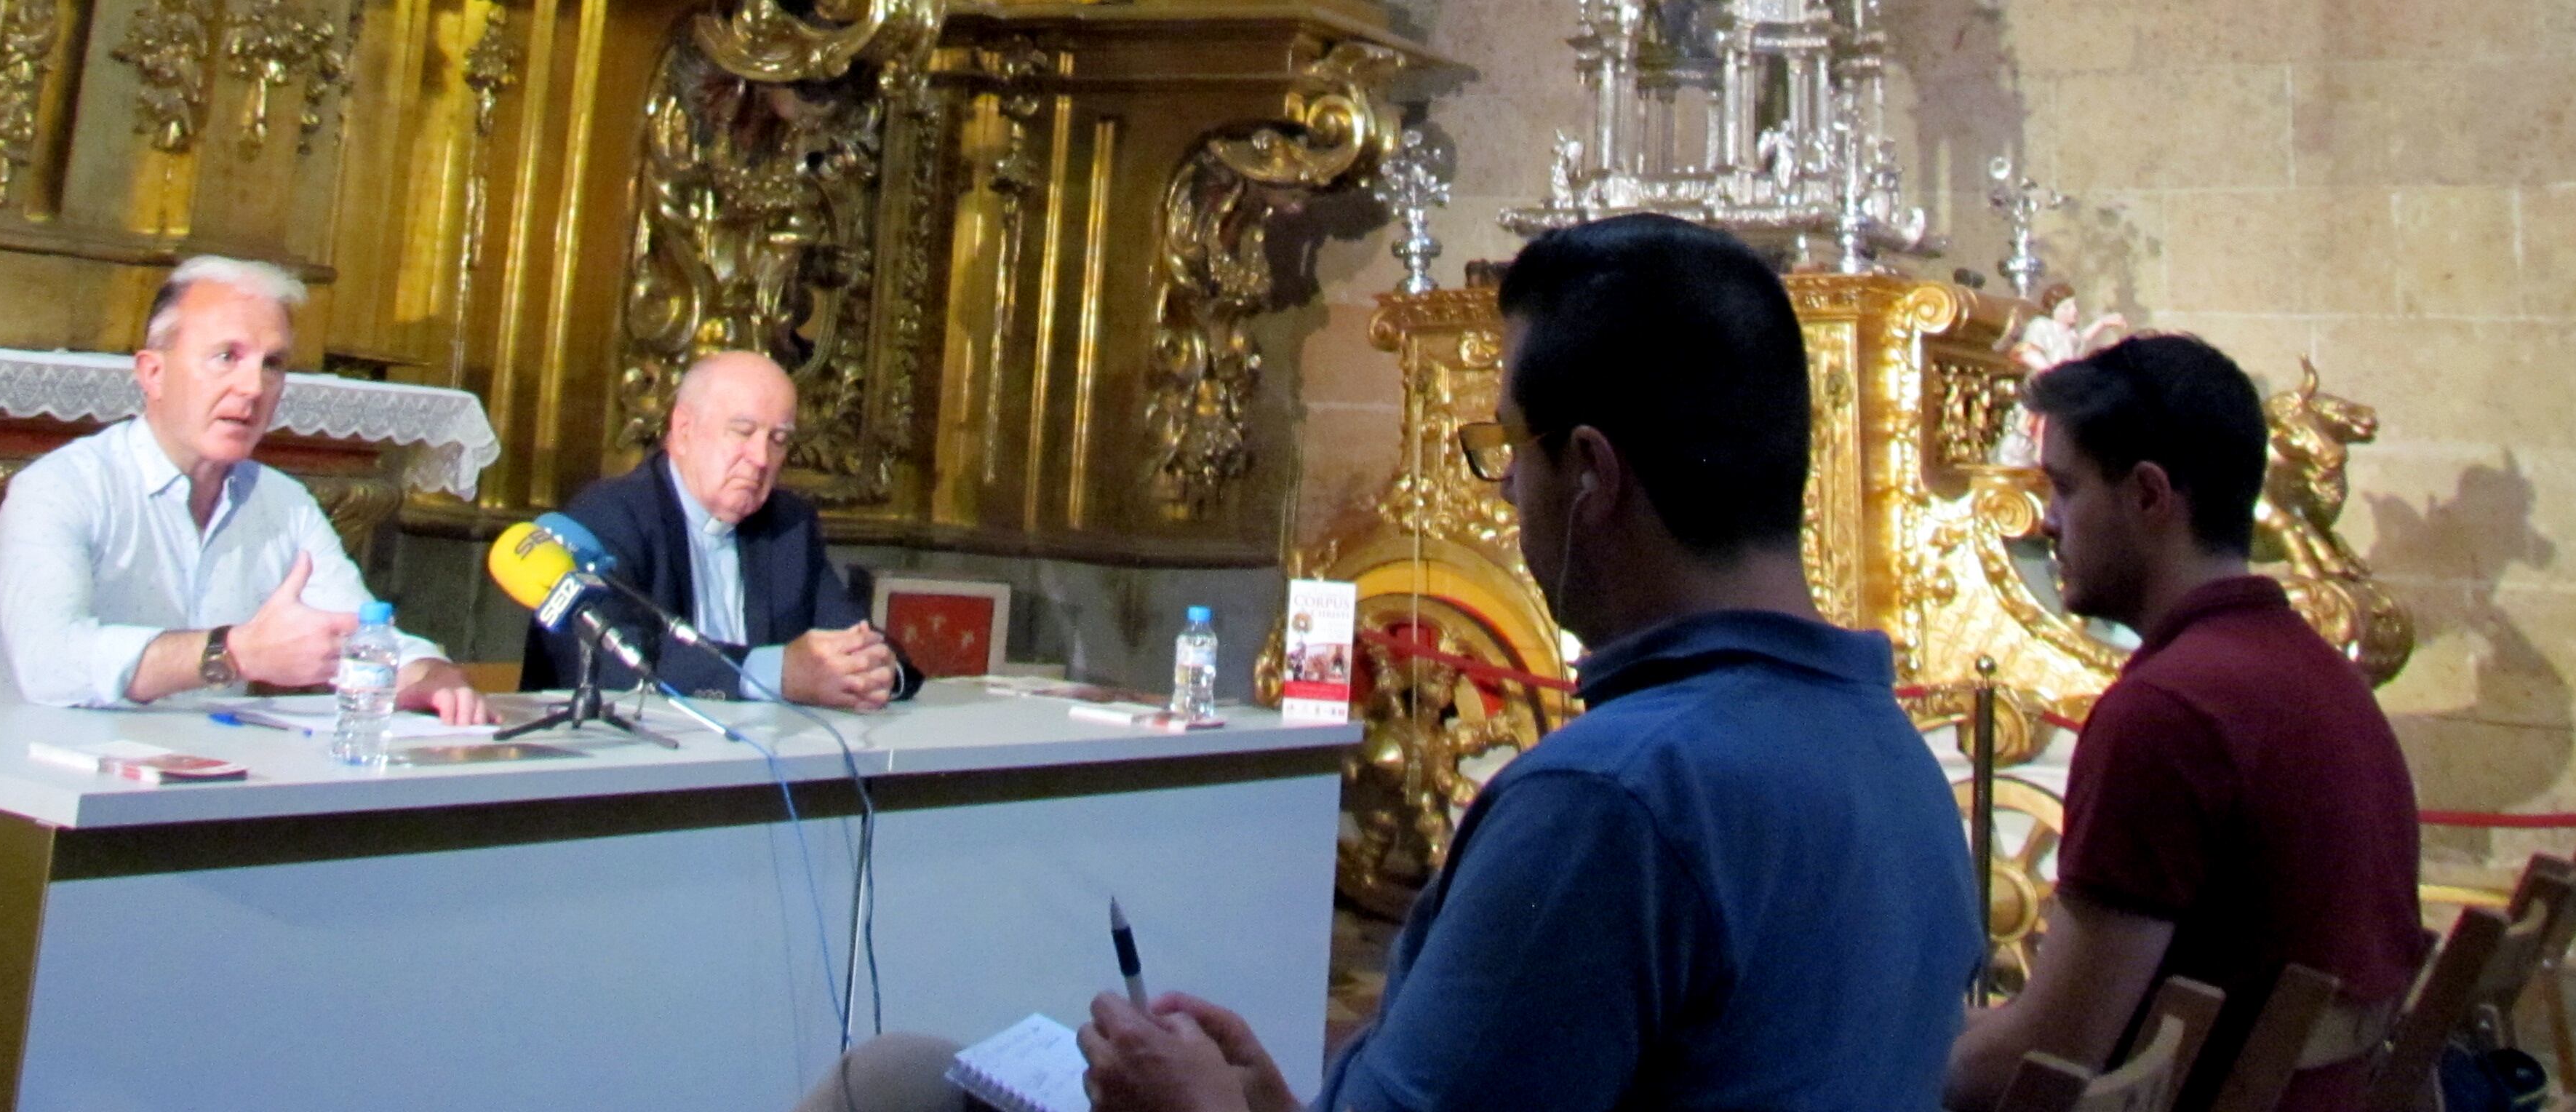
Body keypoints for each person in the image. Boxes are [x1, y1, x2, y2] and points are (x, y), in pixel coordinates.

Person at [791, 215, 1982, 1112]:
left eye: (1505, 447)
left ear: (1594, 476)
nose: (1505, 486)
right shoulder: (1894, 755)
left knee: (888, 1081)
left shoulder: (1615, 798)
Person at [1944, 335, 2421, 1112]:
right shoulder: (2320, 672)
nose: (2048, 523)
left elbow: (2045, 1064)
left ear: (2149, 496)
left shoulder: (2170, 712)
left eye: (2065, 488)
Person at [0, 255, 489, 720]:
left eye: (272, 364)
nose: (253, 388)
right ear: (153, 373)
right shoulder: (59, 488)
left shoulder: (281, 505)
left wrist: (427, 674)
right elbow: (49, 665)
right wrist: (231, 654)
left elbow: (357, 631)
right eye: (226, 357)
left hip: (189, 787)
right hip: (26, 795)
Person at [544, 348, 912, 712]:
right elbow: (604, 660)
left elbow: (850, 635)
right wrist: (774, 673)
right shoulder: (607, 515)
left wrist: (876, 670)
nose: (761, 458)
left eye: (779, 440)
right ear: (684, 430)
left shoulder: (788, 525)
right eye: (743, 432)